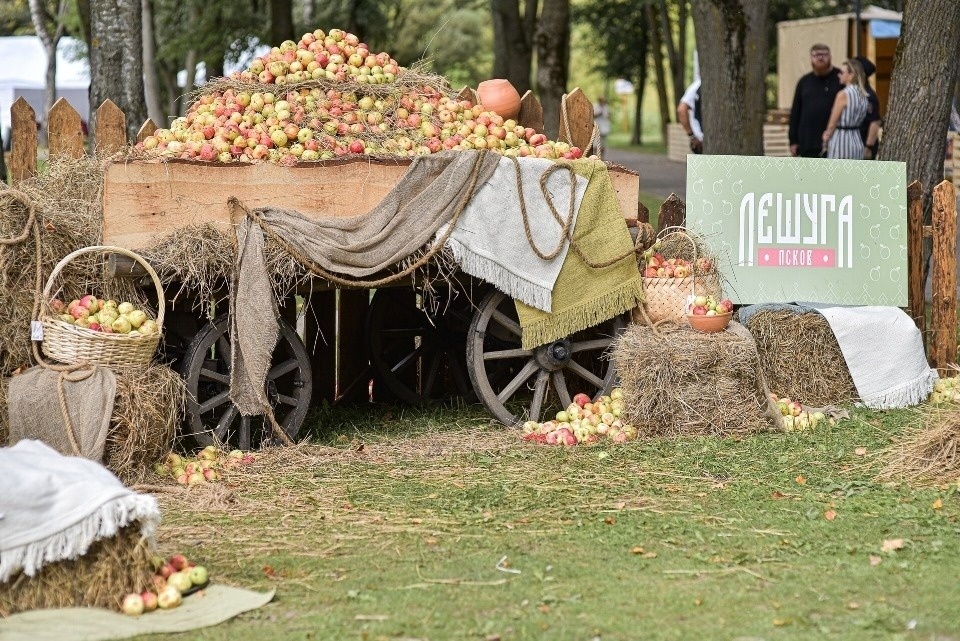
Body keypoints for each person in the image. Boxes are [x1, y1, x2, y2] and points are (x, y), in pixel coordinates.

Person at [789, 43, 842, 158]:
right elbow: (795, 112)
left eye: (824, 54)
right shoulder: (804, 82)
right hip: (808, 142)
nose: (820, 57)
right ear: (811, 58)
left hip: (834, 141)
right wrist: (793, 140)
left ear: (830, 56)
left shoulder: (840, 79)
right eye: (816, 55)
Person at [822, 59, 870, 159]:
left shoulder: (843, 94)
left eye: (842, 72)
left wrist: (826, 136)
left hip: (841, 140)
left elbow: (832, 123)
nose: (839, 75)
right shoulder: (863, 94)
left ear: (851, 75)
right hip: (857, 139)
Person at [854, 56, 881, 159]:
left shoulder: (868, 95)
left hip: (864, 145)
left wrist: (868, 147)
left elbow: (874, 122)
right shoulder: (853, 93)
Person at [677, 79, 704, 153]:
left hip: (701, 139)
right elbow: (682, 110)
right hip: (701, 141)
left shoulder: (698, 85)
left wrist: (691, 136)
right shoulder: (698, 86)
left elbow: (681, 110)